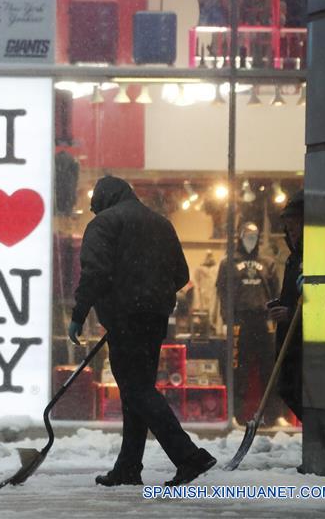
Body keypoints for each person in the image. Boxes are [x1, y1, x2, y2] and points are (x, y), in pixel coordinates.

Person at [68, 176, 216, 487]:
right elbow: (181, 274)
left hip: (124, 318)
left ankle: (189, 456)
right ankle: (128, 466)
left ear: (103, 201)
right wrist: (151, 294)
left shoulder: (104, 224)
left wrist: (80, 314)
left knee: (136, 389)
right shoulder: (161, 223)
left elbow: (95, 273)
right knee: (137, 390)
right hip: (155, 319)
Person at [216, 222, 281, 424]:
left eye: (254, 236)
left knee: (269, 368)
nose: (250, 240)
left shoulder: (267, 262)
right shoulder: (228, 263)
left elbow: (275, 292)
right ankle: (236, 414)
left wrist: (275, 318)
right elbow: (223, 293)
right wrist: (226, 319)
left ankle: (273, 415)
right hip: (239, 320)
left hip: (263, 319)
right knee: (238, 369)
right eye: (247, 236)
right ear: (240, 237)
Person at [267, 190, 303, 424]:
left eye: (295, 226)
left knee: (294, 389)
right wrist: (282, 306)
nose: (291, 232)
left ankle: (322, 437)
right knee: (288, 387)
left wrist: (291, 314)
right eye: (288, 228)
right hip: (290, 339)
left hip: (302, 340)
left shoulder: (312, 259)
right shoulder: (294, 259)